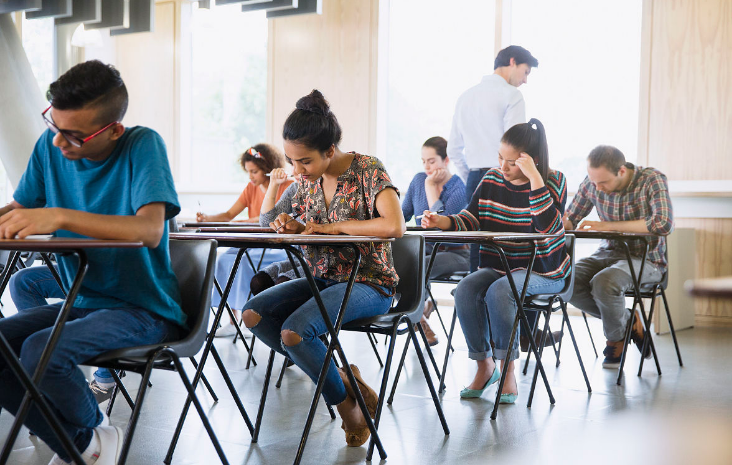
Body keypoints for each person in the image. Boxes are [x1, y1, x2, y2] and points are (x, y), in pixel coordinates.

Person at [0, 60, 183, 465]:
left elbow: (149, 230)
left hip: (144, 308)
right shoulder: (50, 149)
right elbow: (18, 207)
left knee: (38, 353)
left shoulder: (141, 144)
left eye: (74, 136)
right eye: (54, 126)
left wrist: (60, 216)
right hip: (81, 302)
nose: (58, 143)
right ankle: (86, 442)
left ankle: (88, 432)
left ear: (114, 130)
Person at [241, 89, 405, 447]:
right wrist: (286, 221)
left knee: (294, 333)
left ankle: (349, 410)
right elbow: (266, 220)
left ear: (330, 150)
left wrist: (328, 228)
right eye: (291, 160)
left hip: (371, 284)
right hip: (321, 278)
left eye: (305, 162)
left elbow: (394, 225)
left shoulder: (367, 170)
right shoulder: (302, 181)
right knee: (253, 314)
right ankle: (345, 382)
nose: (297, 169)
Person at [422, 118, 570, 404]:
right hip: (501, 265)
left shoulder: (555, 181)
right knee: (466, 288)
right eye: (500, 158)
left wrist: (535, 180)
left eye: (511, 162)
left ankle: (507, 371)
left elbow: (548, 227)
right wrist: (443, 221)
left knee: (502, 290)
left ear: (532, 161)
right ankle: (484, 365)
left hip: (545, 270)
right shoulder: (492, 179)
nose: (502, 167)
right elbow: (472, 218)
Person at [562, 145, 674, 368]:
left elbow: (663, 223)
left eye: (603, 182)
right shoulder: (593, 182)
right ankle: (629, 320)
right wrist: (555, 218)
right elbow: (570, 220)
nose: (597, 188)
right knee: (566, 280)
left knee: (605, 282)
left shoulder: (651, 179)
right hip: (607, 253)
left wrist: (606, 226)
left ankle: (615, 339)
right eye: (594, 182)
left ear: (621, 171)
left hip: (648, 259)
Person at [447, 45, 539, 272]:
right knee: (509, 247)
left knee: (477, 245)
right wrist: (500, 172)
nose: (525, 80)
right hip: (507, 176)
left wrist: (474, 176)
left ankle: (471, 299)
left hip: (476, 177)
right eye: (526, 71)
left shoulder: (465, 96)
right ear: (512, 61)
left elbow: (453, 150)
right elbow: (517, 145)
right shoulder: (512, 95)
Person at [197, 144, 294, 336]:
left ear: (268, 169)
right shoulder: (251, 188)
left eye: (254, 171)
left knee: (240, 261)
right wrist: (207, 218)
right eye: (248, 172)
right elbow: (228, 215)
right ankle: (232, 318)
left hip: (276, 246)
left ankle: (246, 314)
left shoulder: (288, 186)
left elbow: (272, 219)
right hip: (253, 243)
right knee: (223, 258)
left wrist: (245, 220)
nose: (251, 176)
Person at [8, 265, 121, 403]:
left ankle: (106, 382)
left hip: (115, 275)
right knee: (22, 281)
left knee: (106, 292)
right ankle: (47, 366)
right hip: (83, 267)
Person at [401, 136, 467, 345]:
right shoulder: (418, 180)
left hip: (456, 252)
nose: (427, 167)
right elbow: (402, 214)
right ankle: (420, 314)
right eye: (423, 161)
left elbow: (441, 225)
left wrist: (431, 187)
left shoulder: (459, 187)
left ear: (446, 160)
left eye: (432, 161)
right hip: (425, 249)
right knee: (396, 264)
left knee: (419, 264)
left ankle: (416, 317)